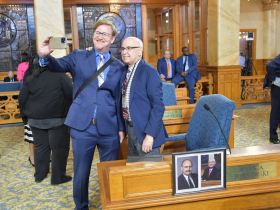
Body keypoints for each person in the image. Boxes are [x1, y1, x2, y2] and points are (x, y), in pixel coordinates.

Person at [37, 19, 125, 209]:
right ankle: (81, 206)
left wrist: (120, 128)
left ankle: (109, 205)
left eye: (105, 34)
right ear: (93, 35)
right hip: (82, 127)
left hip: (109, 127)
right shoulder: (78, 56)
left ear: (113, 39)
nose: (100, 36)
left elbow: (118, 99)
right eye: (97, 33)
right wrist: (44, 57)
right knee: (81, 171)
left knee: (109, 172)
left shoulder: (118, 66)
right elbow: (57, 66)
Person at [19, 60, 73, 185]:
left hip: (35, 120)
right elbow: (71, 95)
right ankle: (58, 177)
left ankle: (39, 175)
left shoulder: (30, 79)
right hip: (57, 119)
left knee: (40, 147)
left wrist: (25, 120)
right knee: (59, 148)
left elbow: (22, 100)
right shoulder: (61, 76)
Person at [119, 37, 167, 156]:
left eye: (129, 48)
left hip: (147, 133)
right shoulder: (124, 71)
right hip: (131, 130)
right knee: (136, 173)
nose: (125, 52)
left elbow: (158, 106)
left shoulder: (149, 71)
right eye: (123, 48)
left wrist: (150, 136)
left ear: (140, 50)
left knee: (149, 173)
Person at [264, 54, 280, 144]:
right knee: (276, 110)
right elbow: (269, 65)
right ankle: (273, 136)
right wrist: (272, 79)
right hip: (278, 86)